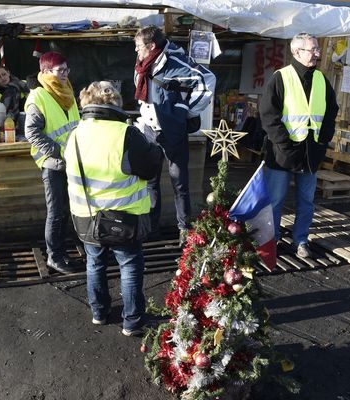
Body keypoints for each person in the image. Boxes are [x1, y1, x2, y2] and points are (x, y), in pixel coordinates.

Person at [64, 81, 163, 336]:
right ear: (115, 103)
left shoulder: (75, 134)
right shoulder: (126, 134)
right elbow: (150, 168)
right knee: (129, 265)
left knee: (94, 263)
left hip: (86, 216)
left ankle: (99, 313)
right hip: (124, 218)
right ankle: (132, 322)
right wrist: (151, 142)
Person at [259, 32, 339, 258]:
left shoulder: (322, 80)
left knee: (307, 201)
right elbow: (268, 115)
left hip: (311, 152)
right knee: (275, 200)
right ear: (296, 52)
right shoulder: (280, 77)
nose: (317, 54)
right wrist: (284, 143)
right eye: (312, 49)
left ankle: (301, 240)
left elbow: (332, 111)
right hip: (282, 152)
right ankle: (271, 241)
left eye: (317, 49)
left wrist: (324, 139)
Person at [133, 26, 215, 244]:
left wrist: (186, 111)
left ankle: (184, 228)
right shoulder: (143, 65)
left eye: (138, 46)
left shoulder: (175, 61)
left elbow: (208, 80)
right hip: (150, 131)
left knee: (180, 182)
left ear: (151, 46)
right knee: (151, 181)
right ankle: (152, 228)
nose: (136, 50)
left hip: (173, 131)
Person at [24, 51, 80, 274]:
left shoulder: (68, 93)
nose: (65, 74)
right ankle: (54, 257)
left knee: (66, 211)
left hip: (72, 163)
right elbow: (31, 132)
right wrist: (59, 152)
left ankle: (62, 251)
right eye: (60, 70)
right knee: (56, 212)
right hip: (54, 165)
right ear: (46, 72)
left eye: (67, 69)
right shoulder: (38, 96)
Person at [0, 64, 29, 129]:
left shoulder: (24, 85)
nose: (2, 78)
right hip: (5, 129)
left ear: (8, 73)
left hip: (27, 125)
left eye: (4, 74)